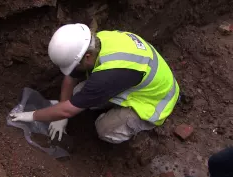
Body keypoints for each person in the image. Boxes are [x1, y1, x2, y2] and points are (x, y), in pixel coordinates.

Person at [10, 23, 180, 143]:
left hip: (156, 100)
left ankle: (130, 124)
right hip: (141, 78)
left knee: (104, 129)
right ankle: (112, 103)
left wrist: (32, 116)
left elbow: (68, 110)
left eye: (74, 65)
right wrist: (61, 109)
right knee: (77, 93)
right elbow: (71, 76)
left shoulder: (105, 77)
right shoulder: (94, 42)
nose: (72, 70)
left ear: (88, 57)